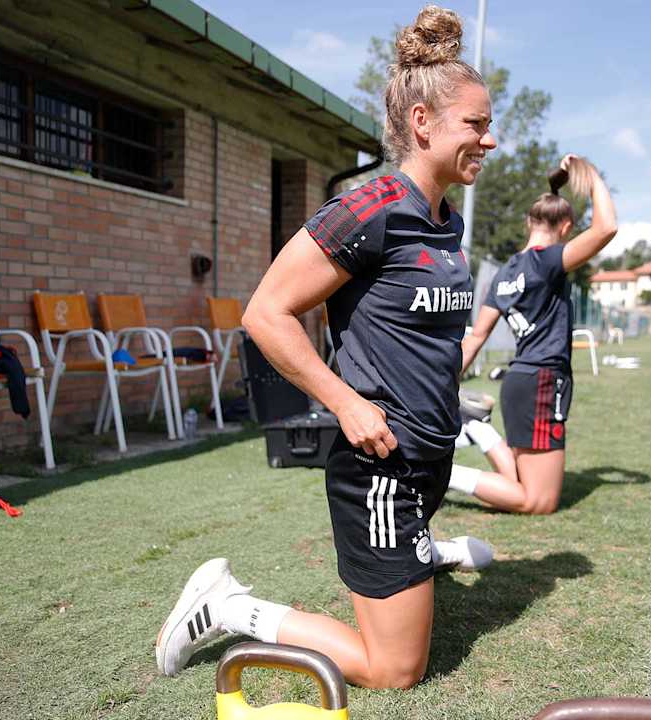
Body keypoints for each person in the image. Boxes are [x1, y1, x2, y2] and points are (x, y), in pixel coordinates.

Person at [155, 6, 497, 689]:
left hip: (429, 457)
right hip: (381, 466)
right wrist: (345, 402)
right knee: (395, 669)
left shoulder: (444, 221)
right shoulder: (370, 208)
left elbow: (417, 333)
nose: (489, 141)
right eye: (476, 125)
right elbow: (266, 313)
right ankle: (229, 606)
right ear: (424, 123)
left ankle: (424, 551)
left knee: (403, 613)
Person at [452, 155, 617, 514]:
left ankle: (479, 430)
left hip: (519, 383)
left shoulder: (507, 271)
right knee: (537, 501)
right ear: (566, 227)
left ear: (529, 222)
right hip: (542, 382)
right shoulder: (548, 260)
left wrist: (444, 385)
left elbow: (476, 337)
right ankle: (444, 475)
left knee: (522, 484)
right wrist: (592, 176)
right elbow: (606, 228)